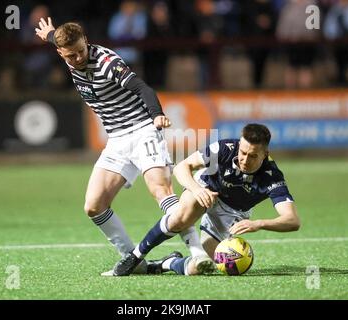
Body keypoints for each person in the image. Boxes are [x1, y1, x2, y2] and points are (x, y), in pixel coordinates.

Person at [35, 17, 206, 275]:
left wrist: (156, 114)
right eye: (71, 56)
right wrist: (49, 34)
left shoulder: (106, 63)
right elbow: (57, 39)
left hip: (143, 129)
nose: (78, 58)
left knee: (160, 189)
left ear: (87, 43)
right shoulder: (65, 49)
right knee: (94, 205)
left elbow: (142, 87)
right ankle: (133, 261)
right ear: (60, 52)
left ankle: (197, 252)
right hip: (116, 139)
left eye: (81, 51)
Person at [113, 123, 301, 276]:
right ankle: (136, 256)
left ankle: (167, 264)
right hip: (206, 189)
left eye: (252, 156)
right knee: (182, 217)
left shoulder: (272, 176)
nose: (244, 159)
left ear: (265, 155)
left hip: (232, 212)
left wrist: (258, 224)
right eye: (243, 152)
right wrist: (196, 190)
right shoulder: (225, 148)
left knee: (207, 267)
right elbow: (182, 167)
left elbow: (292, 221)